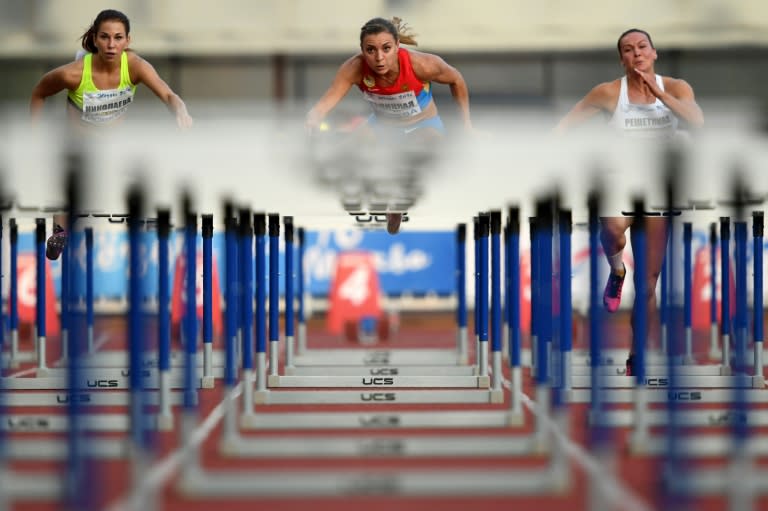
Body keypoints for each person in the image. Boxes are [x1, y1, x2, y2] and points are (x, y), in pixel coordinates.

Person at [555, 28, 704, 375]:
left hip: (657, 187)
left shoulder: (677, 88)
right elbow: (566, 124)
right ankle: (617, 268)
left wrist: (659, 94)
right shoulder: (608, 93)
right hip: (619, 180)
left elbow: (697, 121)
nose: (636, 54)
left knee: (649, 286)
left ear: (654, 54)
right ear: (621, 59)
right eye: (627, 50)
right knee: (611, 228)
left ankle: (636, 355)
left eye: (642, 47)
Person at [29, 8, 193, 259]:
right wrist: (35, 134)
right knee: (71, 181)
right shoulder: (71, 73)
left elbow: (169, 94)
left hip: (111, 139)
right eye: (104, 37)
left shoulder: (136, 66)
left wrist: (180, 111)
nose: (111, 44)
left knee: (136, 172)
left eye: (118, 38)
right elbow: (39, 92)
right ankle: (59, 232)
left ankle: (142, 226)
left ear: (128, 41)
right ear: (95, 39)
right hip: (78, 138)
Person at [305, 16, 472, 234]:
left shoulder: (422, 64)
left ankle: (400, 195)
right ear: (362, 50)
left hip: (423, 124)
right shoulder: (354, 68)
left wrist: (466, 124)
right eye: (371, 50)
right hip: (382, 125)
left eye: (386, 49)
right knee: (350, 147)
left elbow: (456, 79)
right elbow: (329, 98)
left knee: (418, 148)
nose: (379, 58)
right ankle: (365, 189)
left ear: (397, 46)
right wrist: (314, 115)